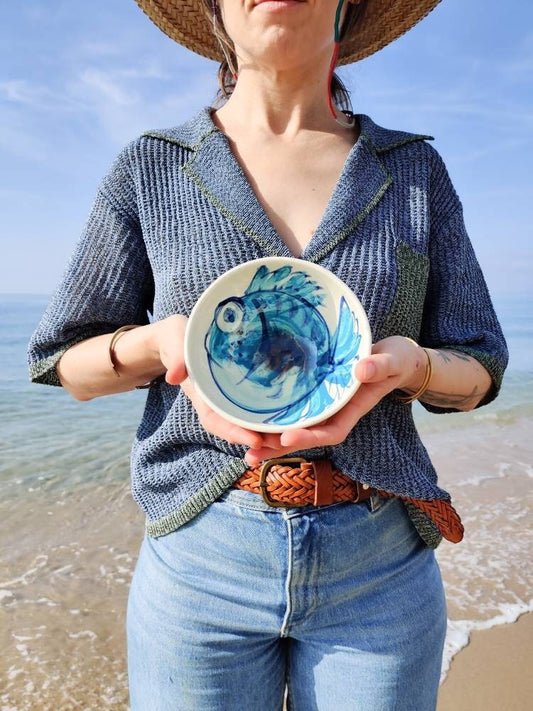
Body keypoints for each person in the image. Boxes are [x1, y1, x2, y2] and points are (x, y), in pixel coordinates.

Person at [28, 0, 508, 709]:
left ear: (346, 9)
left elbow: (479, 368)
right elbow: (66, 360)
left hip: (379, 566)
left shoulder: (411, 171)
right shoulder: (153, 167)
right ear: (217, 13)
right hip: (200, 559)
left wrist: (412, 367)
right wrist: (161, 343)